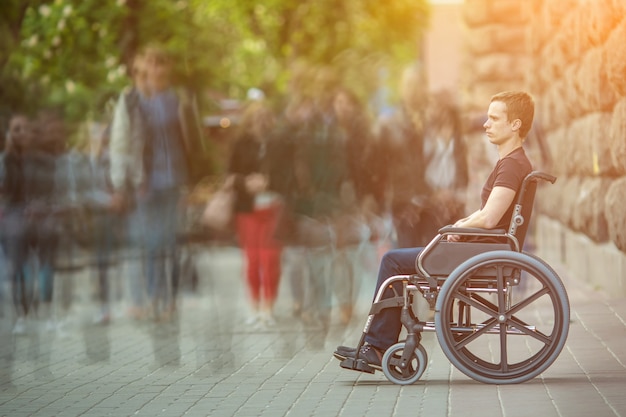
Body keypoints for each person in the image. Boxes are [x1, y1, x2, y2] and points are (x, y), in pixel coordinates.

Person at [333, 91, 535, 369]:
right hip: (481, 249)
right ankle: (379, 344)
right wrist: (461, 226)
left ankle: (378, 347)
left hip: (482, 252)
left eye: (494, 118)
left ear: (515, 124)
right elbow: (487, 215)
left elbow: (489, 218)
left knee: (392, 262)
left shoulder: (511, 165)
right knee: (400, 260)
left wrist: (458, 226)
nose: (486, 124)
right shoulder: (511, 162)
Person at [226, 100, 287, 326]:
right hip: (247, 208)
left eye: (265, 117)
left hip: (274, 207)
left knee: (270, 259)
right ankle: (253, 306)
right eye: (256, 117)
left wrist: (269, 181)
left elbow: (288, 176)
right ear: (249, 119)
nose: (261, 122)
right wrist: (247, 182)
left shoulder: (279, 143)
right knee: (252, 259)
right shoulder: (240, 143)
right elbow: (230, 176)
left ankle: (268, 307)